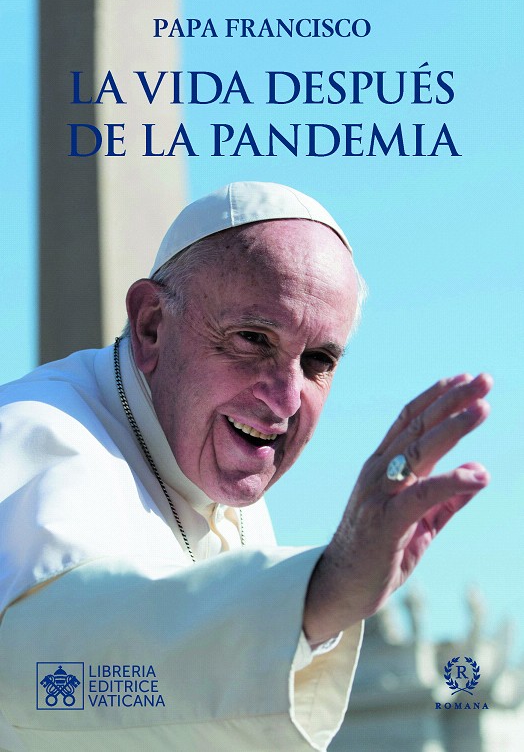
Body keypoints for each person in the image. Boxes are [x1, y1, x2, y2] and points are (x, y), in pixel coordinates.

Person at [0, 181, 491, 752]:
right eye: (253, 339)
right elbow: (47, 673)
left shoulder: (219, 478)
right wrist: (323, 592)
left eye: (318, 360)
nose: (285, 399)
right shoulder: (35, 435)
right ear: (151, 326)